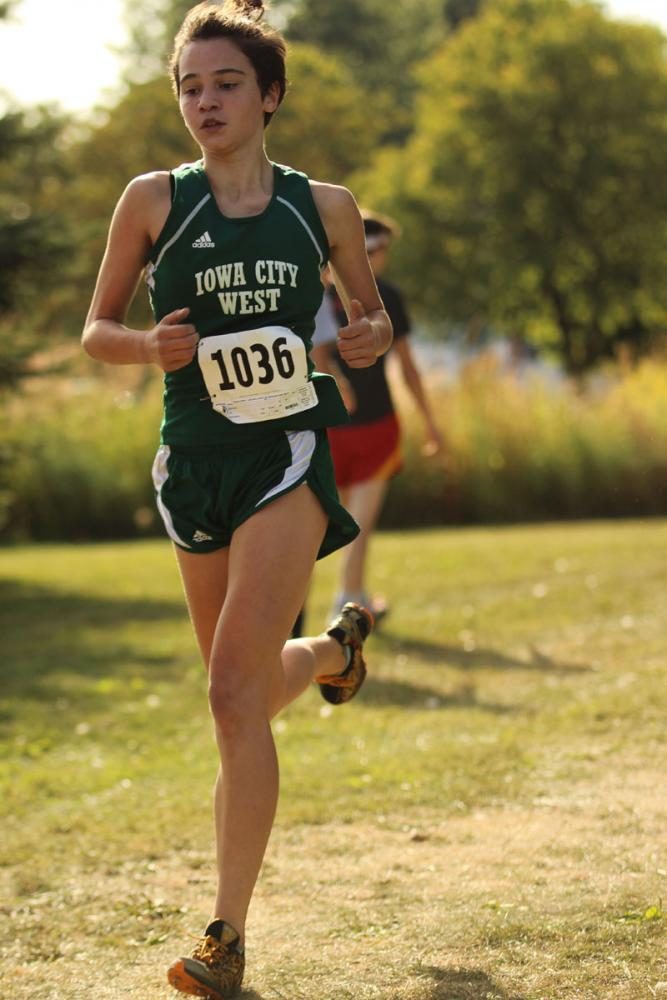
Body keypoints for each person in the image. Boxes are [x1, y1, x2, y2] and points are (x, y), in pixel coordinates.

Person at [81, 2, 392, 997]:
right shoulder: (151, 200)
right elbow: (94, 329)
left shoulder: (324, 205)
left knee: (226, 689)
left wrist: (364, 338)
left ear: (268, 96)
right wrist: (142, 346)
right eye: (188, 85)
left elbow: (368, 317)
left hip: (286, 454)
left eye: (223, 84)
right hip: (193, 463)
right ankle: (337, 652)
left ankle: (226, 935)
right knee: (246, 693)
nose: (203, 101)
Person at [311, 211, 443, 621]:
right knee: (360, 522)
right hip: (372, 425)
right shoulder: (383, 297)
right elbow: (407, 367)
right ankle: (347, 599)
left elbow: (311, 355)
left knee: (322, 523)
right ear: (374, 250)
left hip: (323, 426)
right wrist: (431, 423)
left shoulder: (315, 294)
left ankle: (351, 595)